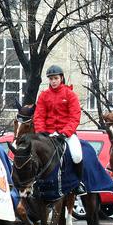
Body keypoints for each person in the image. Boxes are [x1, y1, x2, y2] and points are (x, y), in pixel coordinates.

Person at [33, 64, 87, 195]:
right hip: (48, 134)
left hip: (66, 134)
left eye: (56, 78)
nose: (53, 81)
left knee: (77, 155)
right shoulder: (43, 96)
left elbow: (75, 116)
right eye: (51, 79)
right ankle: (34, 183)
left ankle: (78, 183)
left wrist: (65, 133)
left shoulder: (70, 95)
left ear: (61, 78)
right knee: (34, 154)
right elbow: (39, 116)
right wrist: (41, 132)